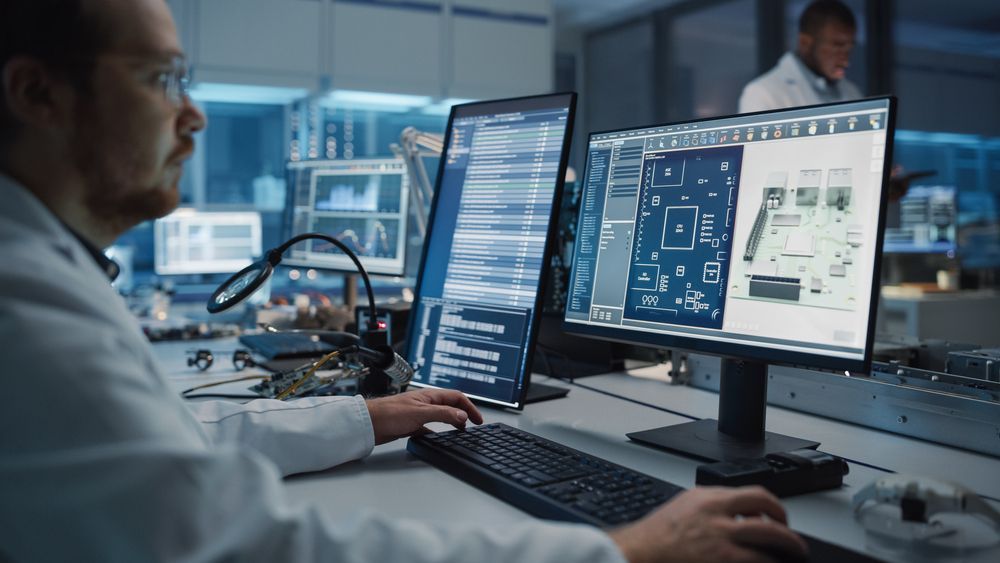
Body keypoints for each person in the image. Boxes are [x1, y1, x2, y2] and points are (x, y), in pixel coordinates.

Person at [0, 1, 808, 561]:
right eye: (161, 78)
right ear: (37, 92)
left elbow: (177, 453)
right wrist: (620, 550)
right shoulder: (24, 306)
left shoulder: (38, 274)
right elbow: (247, 546)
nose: (196, 116)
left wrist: (361, 416)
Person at [739, 0, 862, 113]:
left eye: (849, 47)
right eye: (837, 45)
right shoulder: (761, 93)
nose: (845, 59)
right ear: (805, 43)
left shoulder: (852, 92)